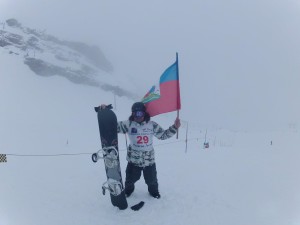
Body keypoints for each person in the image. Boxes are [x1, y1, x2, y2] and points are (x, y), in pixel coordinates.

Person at [100, 102, 181, 199]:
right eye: (135, 114)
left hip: (149, 161)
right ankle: (128, 191)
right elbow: (113, 127)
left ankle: (154, 192)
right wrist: (105, 112)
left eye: (140, 113)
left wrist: (175, 127)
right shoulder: (128, 124)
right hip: (134, 160)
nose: (137, 116)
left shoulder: (152, 125)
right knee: (130, 179)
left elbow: (163, 135)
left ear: (144, 113)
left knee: (152, 180)